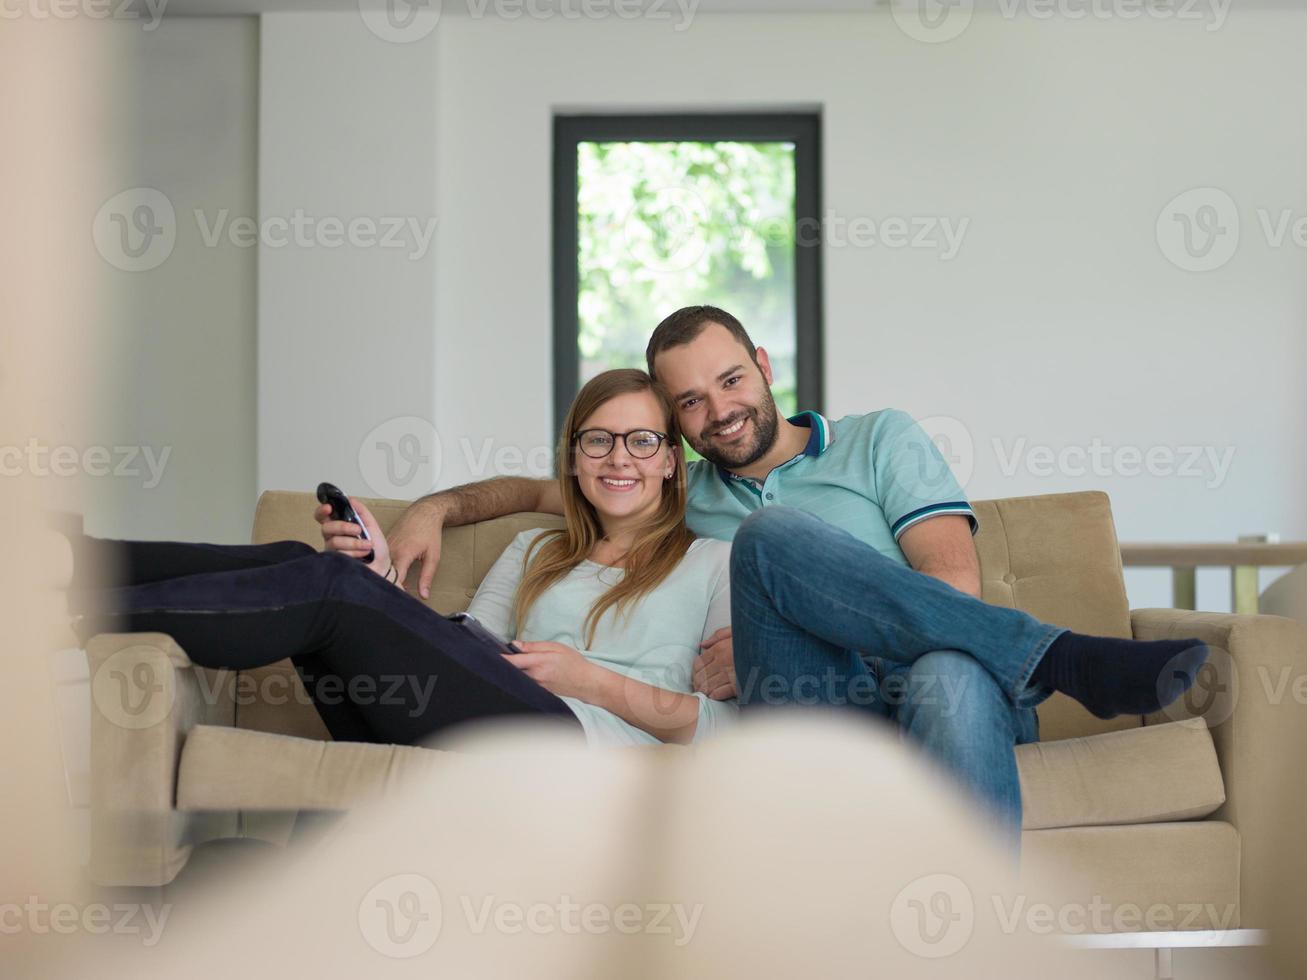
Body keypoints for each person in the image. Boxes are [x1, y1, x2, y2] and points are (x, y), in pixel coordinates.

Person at [375, 305, 1208, 837]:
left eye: (729, 379)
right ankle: (1062, 658)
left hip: (925, 678)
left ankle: (972, 938)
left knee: (942, 663)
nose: (719, 408)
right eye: (691, 402)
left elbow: (954, 591)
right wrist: (432, 508)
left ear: (764, 367)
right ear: (675, 429)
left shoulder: (879, 439)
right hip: (807, 709)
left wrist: (814, 622)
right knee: (769, 539)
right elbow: (545, 488)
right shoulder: (677, 487)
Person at [65, 369, 735, 747]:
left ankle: (63, 612)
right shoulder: (535, 546)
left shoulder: (715, 563)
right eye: (598, 440)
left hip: (572, 738)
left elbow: (720, 727)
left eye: (642, 441)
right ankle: (74, 559)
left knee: (332, 587)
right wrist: (384, 581)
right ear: (572, 457)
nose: (619, 457)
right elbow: (467, 652)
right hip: (484, 706)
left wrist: (590, 680)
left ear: (672, 463)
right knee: (301, 557)